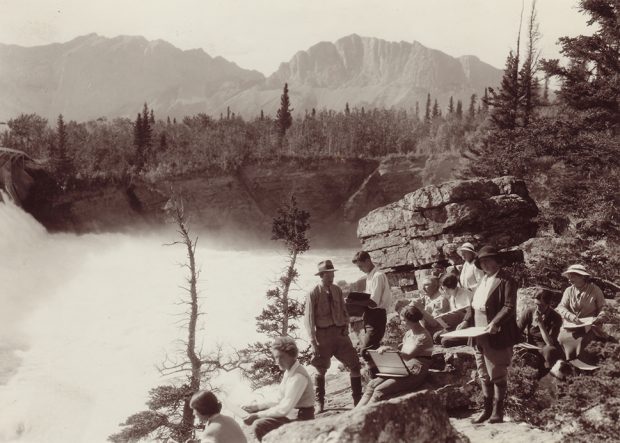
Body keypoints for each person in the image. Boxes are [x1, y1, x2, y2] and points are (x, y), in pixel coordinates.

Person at [456, 245, 519, 424]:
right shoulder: (482, 281)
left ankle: (498, 412)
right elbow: (473, 306)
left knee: (497, 372)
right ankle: (486, 410)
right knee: (483, 373)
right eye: (482, 262)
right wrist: (466, 321)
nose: (485, 264)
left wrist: (495, 323)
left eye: (489, 260)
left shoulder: (506, 280)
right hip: (478, 333)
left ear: (497, 261)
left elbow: (509, 306)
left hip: (496, 332)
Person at [304, 260, 363, 412]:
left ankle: (358, 401)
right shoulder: (313, 293)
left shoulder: (337, 290)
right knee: (320, 369)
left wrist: (346, 326)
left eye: (333, 273)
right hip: (323, 336)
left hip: (340, 334)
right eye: (328, 274)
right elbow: (309, 319)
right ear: (322, 275)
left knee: (355, 365)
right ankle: (320, 403)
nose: (331, 277)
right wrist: (313, 341)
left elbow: (344, 311)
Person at [355, 306, 432, 408]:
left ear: (412, 320)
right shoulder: (409, 333)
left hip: (416, 369)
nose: (402, 323)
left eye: (404, 320)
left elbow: (408, 356)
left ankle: (364, 416)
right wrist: (388, 349)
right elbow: (402, 350)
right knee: (371, 385)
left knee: (380, 390)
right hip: (403, 367)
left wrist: (390, 349)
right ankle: (354, 413)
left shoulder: (423, 336)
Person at [241, 337, 315, 442]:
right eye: (276, 357)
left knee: (259, 424)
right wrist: (256, 407)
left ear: (292, 355)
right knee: (261, 417)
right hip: (292, 416)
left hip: (302, 420)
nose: (277, 361)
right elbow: (278, 399)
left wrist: (257, 415)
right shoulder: (289, 372)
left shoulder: (298, 377)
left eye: (281, 357)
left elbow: (283, 409)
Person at [352, 251, 392, 378]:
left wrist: (356, 301)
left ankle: (378, 377)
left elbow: (374, 302)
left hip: (376, 315)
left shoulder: (378, 276)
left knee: (366, 351)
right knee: (373, 349)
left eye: (360, 266)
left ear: (368, 261)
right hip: (370, 316)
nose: (359, 269)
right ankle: (383, 375)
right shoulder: (370, 276)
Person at [556, 264, 606, 363]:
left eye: (573, 276)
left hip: (590, 326)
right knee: (561, 338)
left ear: (583, 277)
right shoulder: (569, 290)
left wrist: (600, 317)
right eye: (569, 276)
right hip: (572, 324)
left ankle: (583, 368)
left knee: (583, 341)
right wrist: (570, 316)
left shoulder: (595, 290)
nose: (569, 279)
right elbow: (561, 307)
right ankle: (570, 364)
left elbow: (603, 307)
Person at [516, 288, 563, 378]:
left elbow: (550, 343)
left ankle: (545, 377)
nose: (538, 308)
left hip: (545, 345)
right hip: (531, 344)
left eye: (541, 305)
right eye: (536, 304)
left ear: (548, 304)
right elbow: (518, 330)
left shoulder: (556, 317)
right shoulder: (530, 312)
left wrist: (541, 324)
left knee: (549, 351)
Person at [437, 274, 473, 347]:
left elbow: (471, 312)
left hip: (467, 326)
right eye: (443, 289)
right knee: (436, 337)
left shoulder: (466, 294)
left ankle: (468, 339)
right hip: (456, 326)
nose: (444, 291)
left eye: (446, 289)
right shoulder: (452, 296)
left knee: (445, 341)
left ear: (452, 287)